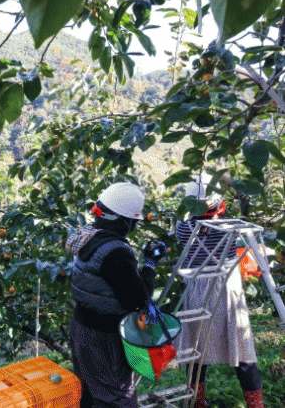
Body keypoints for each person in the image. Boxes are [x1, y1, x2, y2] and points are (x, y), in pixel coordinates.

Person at [67, 182, 167, 408]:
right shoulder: (116, 252)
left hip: (82, 326)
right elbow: (137, 299)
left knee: (89, 392)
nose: (134, 225)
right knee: (117, 397)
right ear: (124, 221)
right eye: (133, 221)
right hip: (103, 336)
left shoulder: (89, 236)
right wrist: (150, 264)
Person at [175, 174, 264, 408]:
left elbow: (186, 218)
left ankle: (197, 402)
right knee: (243, 352)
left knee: (196, 354)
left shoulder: (183, 228)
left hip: (198, 292)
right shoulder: (230, 228)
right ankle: (256, 404)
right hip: (227, 292)